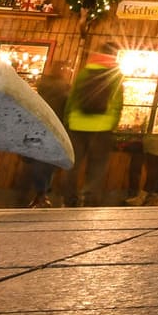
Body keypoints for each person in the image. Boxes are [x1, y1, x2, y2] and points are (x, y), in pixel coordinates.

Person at [65, 46, 124, 205]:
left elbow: (72, 98)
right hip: (102, 127)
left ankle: (69, 199)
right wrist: (113, 123)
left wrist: (67, 121)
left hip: (77, 125)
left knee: (73, 165)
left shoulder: (84, 72)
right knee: (97, 167)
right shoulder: (115, 75)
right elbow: (117, 104)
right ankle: (89, 199)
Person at [23, 66, 72, 207]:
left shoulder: (41, 87)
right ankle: (41, 194)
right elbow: (66, 111)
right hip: (54, 129)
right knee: (46, 163)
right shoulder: (65, 89)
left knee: (38, 161)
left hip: (36, 127)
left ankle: (38, 194)